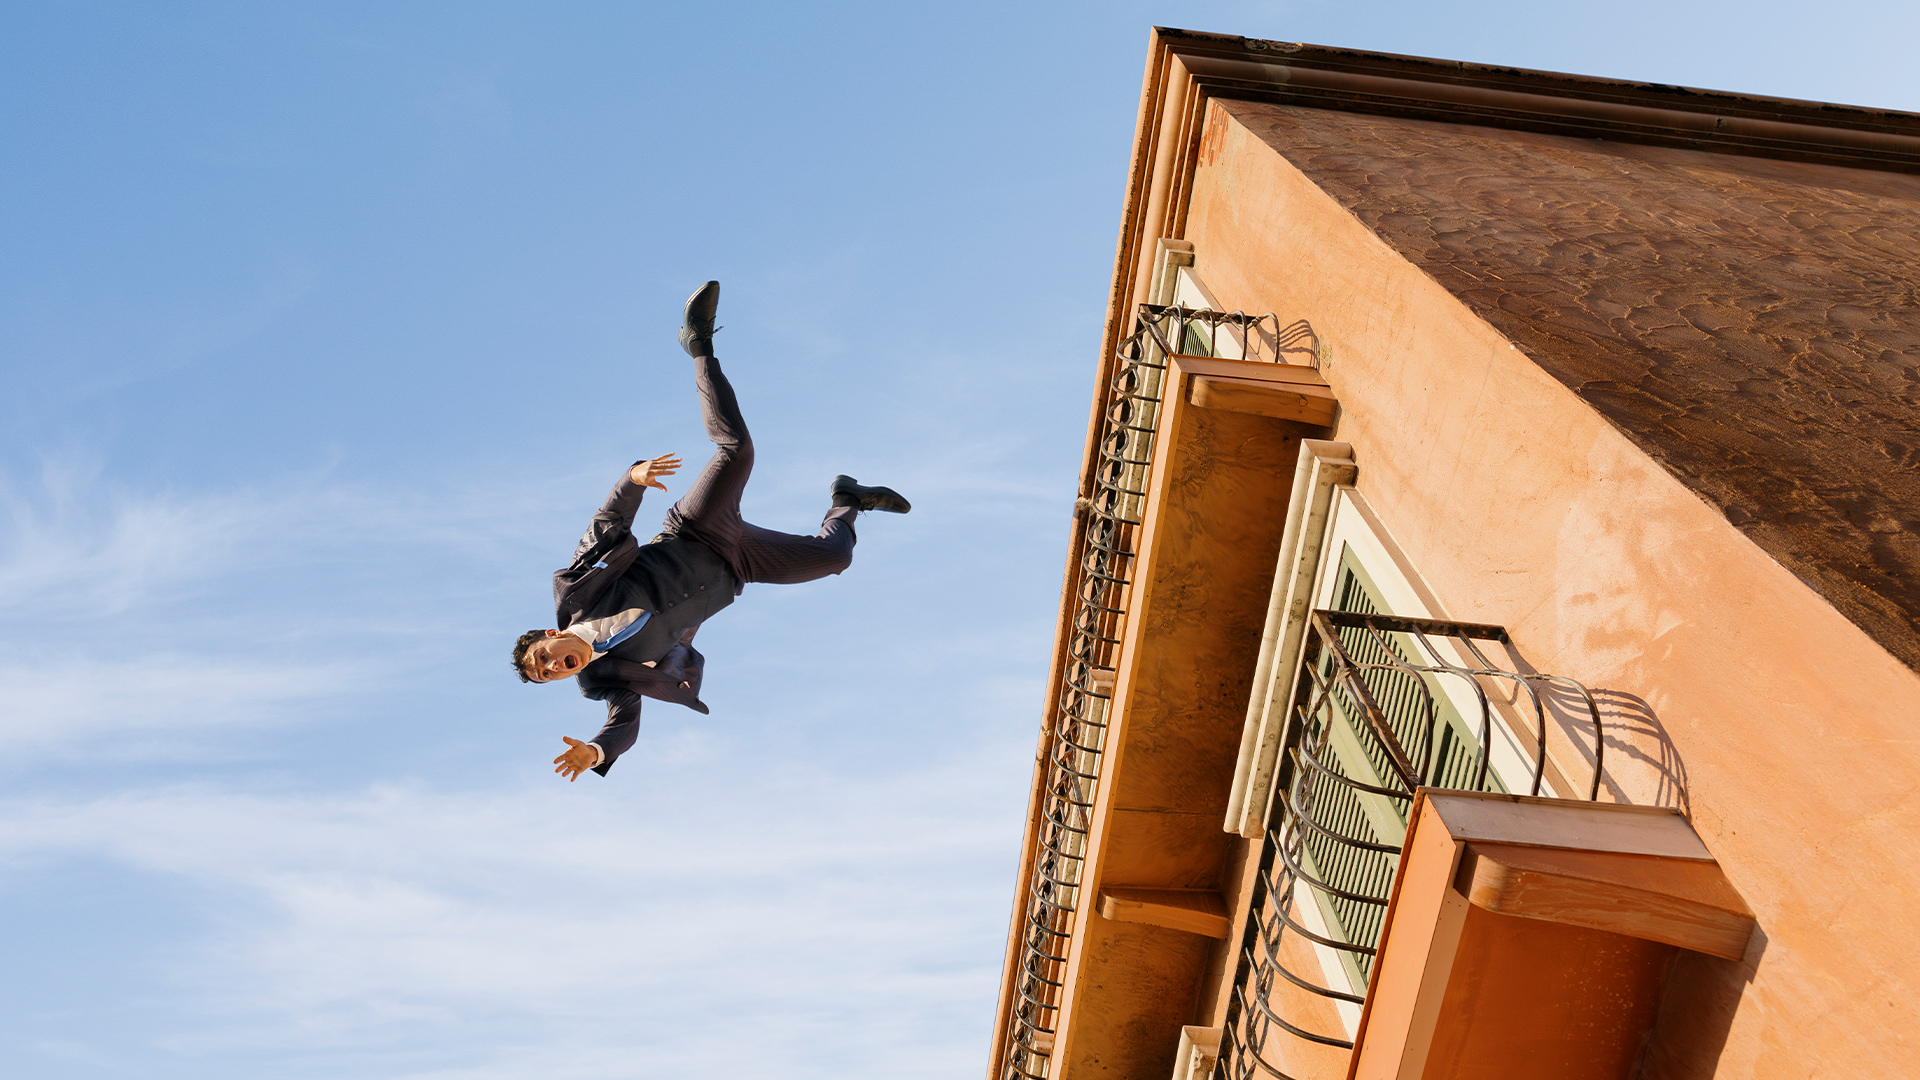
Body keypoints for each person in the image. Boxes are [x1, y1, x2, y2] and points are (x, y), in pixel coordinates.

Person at [512, 280, 910, 780]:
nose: (552, 668)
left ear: (551, 636)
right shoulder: (603, 679)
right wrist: (595, 752)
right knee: (835, 559)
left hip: (697, 531)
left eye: (543, 659)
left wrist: (631, 480)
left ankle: (699, 344)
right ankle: (848, 499)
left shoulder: (575, 596)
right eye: (546, 676)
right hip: (738, 569)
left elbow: (603, 529)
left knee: (736, 449)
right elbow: (624, 725)